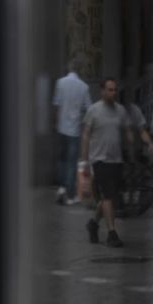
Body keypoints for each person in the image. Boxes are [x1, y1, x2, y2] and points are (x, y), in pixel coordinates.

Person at [80, 77, 153, 248]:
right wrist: (85, 160)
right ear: (102, 91)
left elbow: (129, 130)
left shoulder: (120, 111)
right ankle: (112, 234)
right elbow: (86, 135)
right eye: (110, 89)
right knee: (108, 196)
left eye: (114, 90)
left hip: (116, 160)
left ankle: (93, 223)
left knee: (109, 197)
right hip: (100, 160)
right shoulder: (93, 110)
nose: (113, 93)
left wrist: (140, 143)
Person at [53, 59, 91, 205]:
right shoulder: (84, 87)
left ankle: (61, 188)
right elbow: (88, 109)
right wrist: (84, 124)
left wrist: (55, 123)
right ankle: (70, 195)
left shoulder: (60, 83)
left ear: (68, 68)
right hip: (74, 130)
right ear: (79, 70)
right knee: (71, 162)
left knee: (62, 159)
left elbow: (57, 105)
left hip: (61, 128)